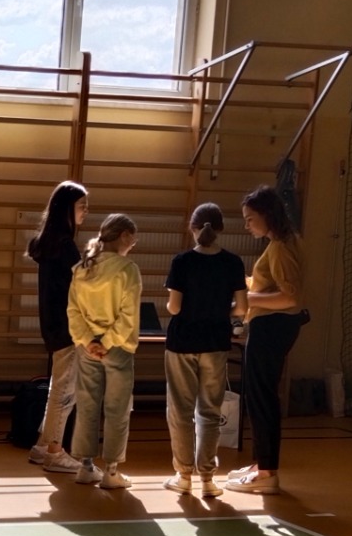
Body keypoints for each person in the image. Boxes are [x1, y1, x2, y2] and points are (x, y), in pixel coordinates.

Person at [163, 203, 248, 498]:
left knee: (180, 411)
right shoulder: (233, 262)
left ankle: (183, 475)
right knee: (210, 412)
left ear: (193, 227)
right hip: (216, 342)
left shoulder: (182, 261)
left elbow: (174, 307)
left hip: (182, 342)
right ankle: (208, 479)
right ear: (220, 228)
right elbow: (242, 308)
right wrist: (220, 310)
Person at [226, 185, 305, 495]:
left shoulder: (281, 247)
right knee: (259, 396)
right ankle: (261, 464)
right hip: (272, 325)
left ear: (267, 215)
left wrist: (246, 299)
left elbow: (290, 297)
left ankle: (267, 471)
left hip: (272, 327)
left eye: (250, 218)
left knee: (262, 398)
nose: (247, 225)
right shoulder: (282, 242)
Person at [66, 212, 142, 491]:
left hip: (86, 348)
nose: (133, 244)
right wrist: (107, 342)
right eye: (133, 239)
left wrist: (88, 341)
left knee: (87, 404)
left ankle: (86, 467)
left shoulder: (81, 268)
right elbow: (128, 315)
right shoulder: (127, 268)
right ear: (124, 236)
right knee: (117, 408)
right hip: (117, 347)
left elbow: (73, 311)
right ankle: (111, 471)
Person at [26, 180, 88, 475]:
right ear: (66, 209)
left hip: (53, 325)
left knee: (57, 388)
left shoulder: (50, 244)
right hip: (68, 326)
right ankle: (55, 452)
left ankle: (43, 445)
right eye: (81, 206)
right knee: (65, 392)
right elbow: (83, 286)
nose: (85, 211)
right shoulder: (65, 246)